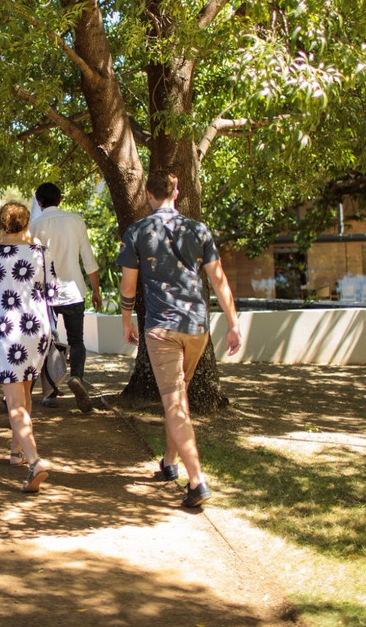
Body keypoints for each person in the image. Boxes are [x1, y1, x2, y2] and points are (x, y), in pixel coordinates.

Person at [117, 173, 242, 509]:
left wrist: (127, 319)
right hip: (197, 326)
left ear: (147, 195)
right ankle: (170, 461)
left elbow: (128, 286)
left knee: (174, 403)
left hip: (162, 328)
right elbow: (218, 279)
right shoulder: (199, 230)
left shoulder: (137, 231)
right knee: (179, 397)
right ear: (177, 192)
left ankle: (197, 481)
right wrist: (233, 324)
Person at [0, 201, 55, 493]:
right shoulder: (41, 253)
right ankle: (15, 451)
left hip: (6, 331)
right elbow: (52, 293)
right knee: (24, 391)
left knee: (14, 402)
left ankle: (35, 462)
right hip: (37, 331)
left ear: (1, 223)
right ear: (26, 223)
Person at [31, 182, 101, 413]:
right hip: (73, 291)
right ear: (60, 199)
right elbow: (88, 258)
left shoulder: (35, 225)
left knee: (47, 343)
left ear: (39, 202)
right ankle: (77, 377)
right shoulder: (75, 221)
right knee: (77, 340)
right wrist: (96, 290)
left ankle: (50, 392)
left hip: (45, 294)